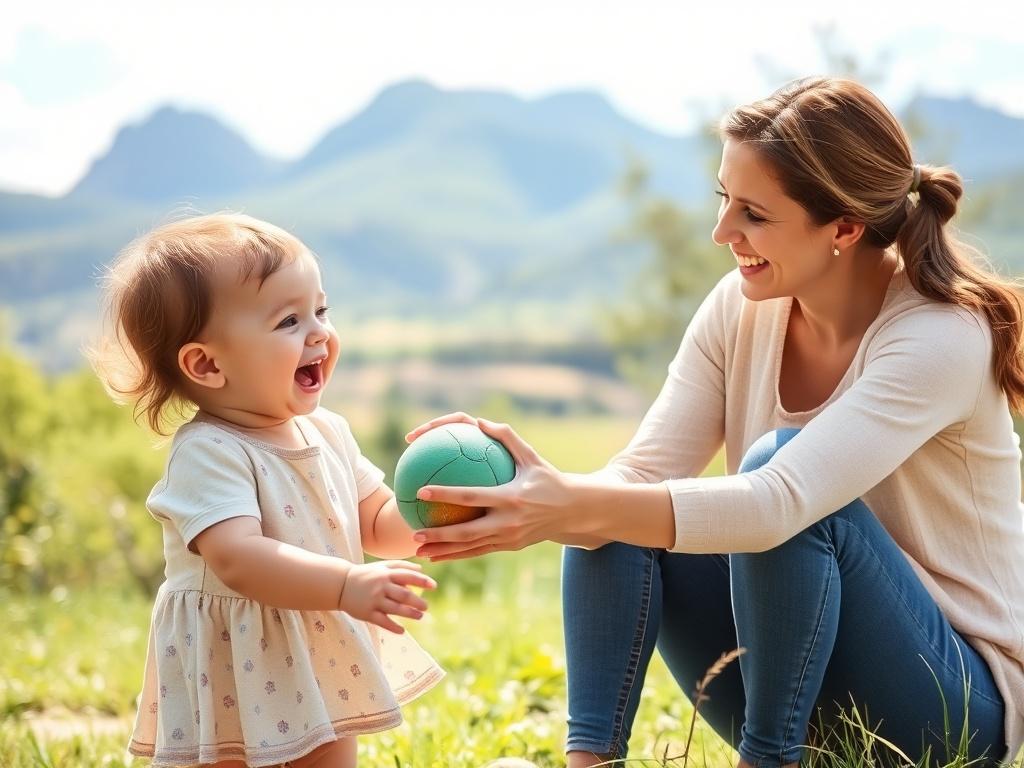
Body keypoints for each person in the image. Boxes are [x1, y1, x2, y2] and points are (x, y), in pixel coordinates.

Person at [406, 77, 1024, 768]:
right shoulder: (740, 305)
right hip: (792, 668)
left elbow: (777, 504)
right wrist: (535, 494)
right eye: (723, 199)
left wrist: (571, 504)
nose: (722, 232)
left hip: (945, 711)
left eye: (754, 214)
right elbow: (641, 477)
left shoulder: (942, 337)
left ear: (844, 228)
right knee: (617, 507)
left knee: (767, 476)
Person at [90, 214, 443, 768]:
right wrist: (347, 582)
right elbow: (238, 558)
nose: (320, 333)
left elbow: (377, 522)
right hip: (233, 652)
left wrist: (436, 509)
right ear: (207, 363)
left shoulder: (329, 431)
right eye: (288, 321)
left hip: (319, 636)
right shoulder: (210, 450)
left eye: (320, 311)